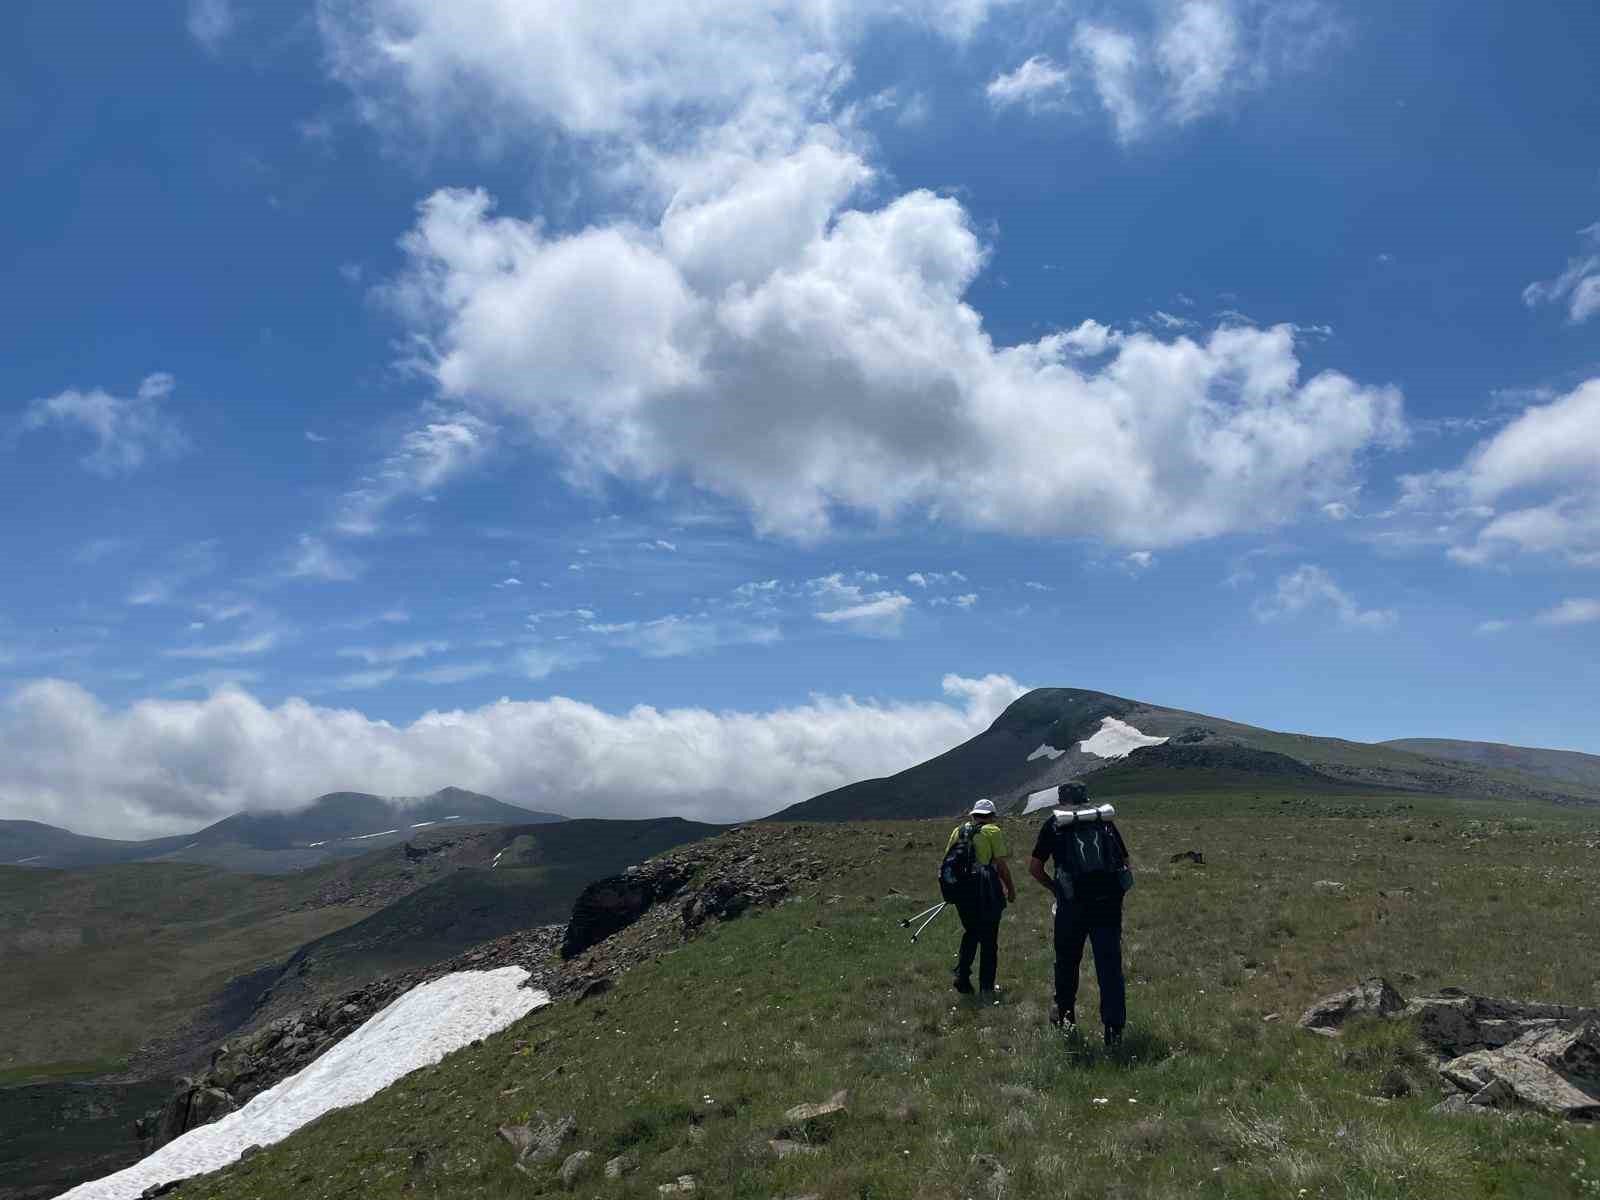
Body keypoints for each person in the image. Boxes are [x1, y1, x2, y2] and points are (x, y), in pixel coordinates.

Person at [1027, 781, 1131, 1046]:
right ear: (1086, 798)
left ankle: (1065, 1017)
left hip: (1071, 906)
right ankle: (1113, 1029)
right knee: (1109, 966)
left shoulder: (1054, 824)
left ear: (1062, 799)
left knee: (1067, 962)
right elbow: (1125, 863)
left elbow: (1035, 868)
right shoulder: (1103, 821)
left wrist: (1056, 889)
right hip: (1107, 906)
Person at [946, 798, 1016, 1001]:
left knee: (971, 932)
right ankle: (986, 987)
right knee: (989, 939)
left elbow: (948, 860)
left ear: (973, 814)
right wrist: (1010, 889)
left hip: (962, 892)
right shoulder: (993, 831)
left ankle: (962, 976)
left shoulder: (958, 831)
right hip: (987, 891)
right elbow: (1001, 865)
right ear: (992, 815)